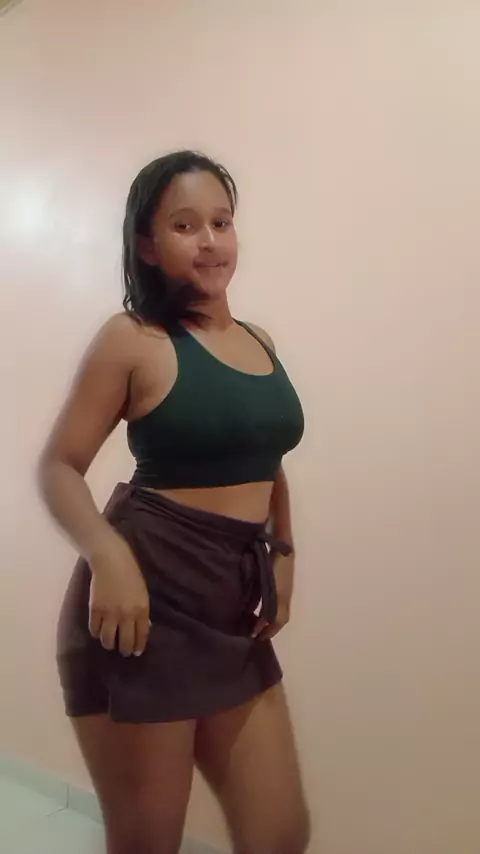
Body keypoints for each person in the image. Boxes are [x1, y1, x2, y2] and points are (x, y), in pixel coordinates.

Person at [39, 150, 310, 854]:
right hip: (145, 605)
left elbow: (268, 460)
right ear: (147, 246)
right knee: (148, 842)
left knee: (281, 833)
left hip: (231, 606)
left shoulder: (258, 341)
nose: (211, 240)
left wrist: (282, 554)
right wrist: (108, 556)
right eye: (185, 225)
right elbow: (59, 467)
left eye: (222, 221)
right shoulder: (133, 339)